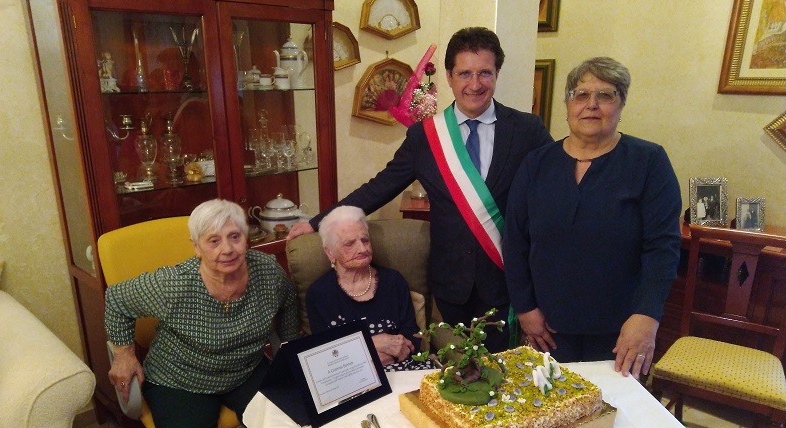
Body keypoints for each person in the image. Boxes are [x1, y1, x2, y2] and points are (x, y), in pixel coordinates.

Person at [288, 27, 553, 352]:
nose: (475, 84)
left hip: (505, 281)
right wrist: (318, 222)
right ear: (449, 76)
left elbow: (556, 187)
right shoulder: (425, 137)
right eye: (465, 73)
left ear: (497, 73)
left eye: (485, 72)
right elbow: (379, 188)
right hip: (452, 286)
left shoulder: (527, 130)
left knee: (504, 373)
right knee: (458, 373)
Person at [105, 199, 298, 428]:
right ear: (196, 247)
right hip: (179, 378)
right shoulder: (175, 284)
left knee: (284, 420)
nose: (227, 249)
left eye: (235, 236)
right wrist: (124, 353)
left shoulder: (268, 273)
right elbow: (117, 299)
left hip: (244, 369)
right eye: (213, 240)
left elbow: (289, 300)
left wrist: (290, 351)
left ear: (246, 238)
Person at [503, 57, 682, 380]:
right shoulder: (536, 164)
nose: (592, 105)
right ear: (568, 104)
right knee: (549, 406)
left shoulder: (649, 162)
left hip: (620, 333)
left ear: (621, 104)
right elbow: (515, 241)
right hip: (547, 330)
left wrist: (647, 315)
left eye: (606, 95)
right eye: (581, 94)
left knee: (614, 408)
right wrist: (526, 309)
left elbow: (662, 248)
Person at [306, 206, 433, 371]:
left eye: (365, 240)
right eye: (350, 243)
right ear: (330, 252)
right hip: (349, 373)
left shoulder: (393, 281)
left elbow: (412, 336)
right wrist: (371, 345)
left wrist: (390, 355)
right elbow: (323, 352)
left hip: (399, 367)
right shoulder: (319, 293)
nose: (362, 249)